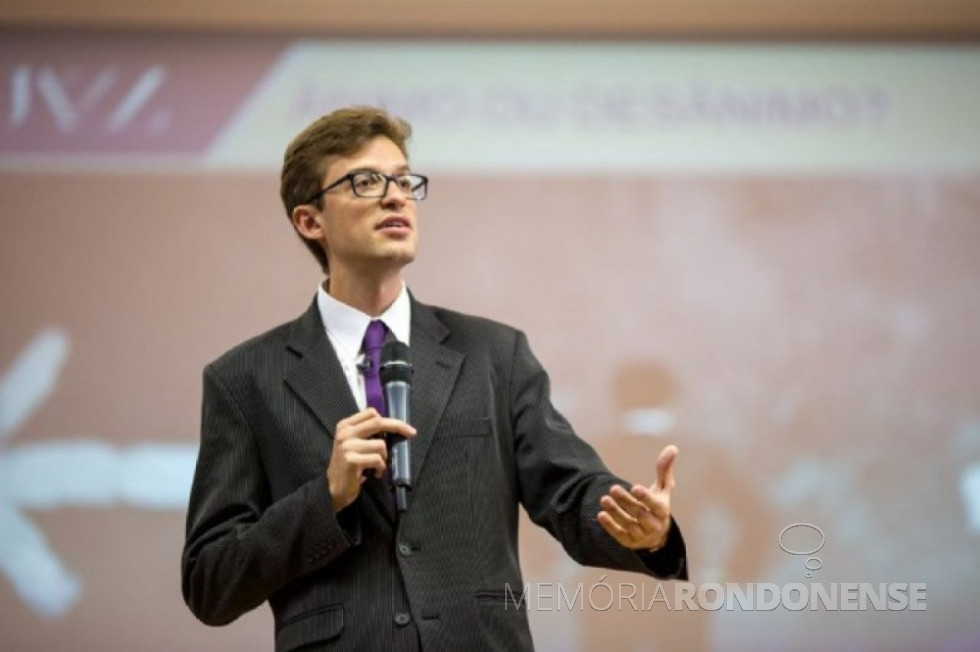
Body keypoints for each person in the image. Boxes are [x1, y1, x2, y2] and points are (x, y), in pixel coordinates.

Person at [181, 106, 687, 651]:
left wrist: (646, 533)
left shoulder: (494, 354)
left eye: (404, 181)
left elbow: (570, 490)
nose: (396, 197)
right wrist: (323, 498)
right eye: (366, 182)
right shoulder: (247, 380)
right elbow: (211, 581)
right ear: (310, 220)